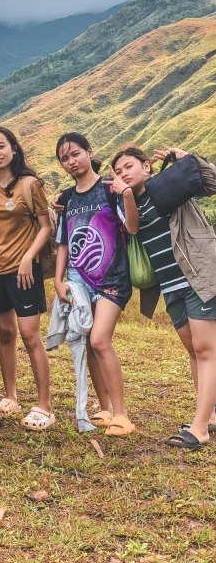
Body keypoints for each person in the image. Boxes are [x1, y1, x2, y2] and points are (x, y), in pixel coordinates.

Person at [112, 145, 216, 450]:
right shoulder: (130, 202)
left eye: (129, 166)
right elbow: (133, 228)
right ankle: (209, 416)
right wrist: (127, 195)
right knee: (193, 350)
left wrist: (189, 159)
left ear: (147, 167)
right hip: (170, 285)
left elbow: (211, 183)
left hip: (199, 274)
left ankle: (200, 429)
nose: (124, 174)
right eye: (118, 172)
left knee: (205, 349)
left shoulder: (173, 187)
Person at [54, 132, 137, 436]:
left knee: (100, 339)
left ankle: (121, 414)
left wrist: (126, 194)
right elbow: (62, 243)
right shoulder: (67, 198)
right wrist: (58, 280)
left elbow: (131, 226)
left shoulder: (109, 189)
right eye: (64, 158)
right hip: (79, 281)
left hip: (112, 280)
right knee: (89, 342)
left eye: (75, 153)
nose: (71, 161)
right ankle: (103, 409)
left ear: (89, 151)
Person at [0, 126, 55, 431]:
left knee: (30, 335)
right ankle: (10, 397)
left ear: (13, 149)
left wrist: (27, 258)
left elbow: (45, 227)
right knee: (6, 333)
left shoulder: (29, 185)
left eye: (1, 146)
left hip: (23, 272)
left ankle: (44, 406)